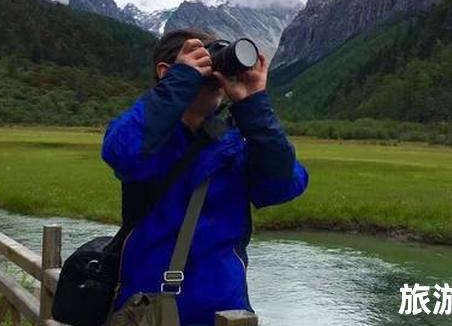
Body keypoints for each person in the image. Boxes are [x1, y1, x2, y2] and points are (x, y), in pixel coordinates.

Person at [101, 29, 309, 325]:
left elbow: (282, 184)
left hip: (225, 315)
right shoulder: (147, 137)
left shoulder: (237, 143)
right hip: (148, 312)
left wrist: (254, 104)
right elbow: (123, 153)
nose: (212, 72)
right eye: (202, 60)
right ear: (166, 72)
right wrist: (181, 82)